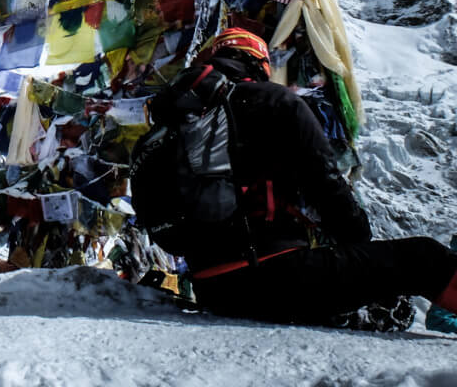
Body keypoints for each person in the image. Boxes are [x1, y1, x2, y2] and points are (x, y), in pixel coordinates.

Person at [144, 28, 457, 331]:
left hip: (212, 288)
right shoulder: (274, 101)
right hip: (277, 276)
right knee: (426, 258)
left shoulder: (170, 126)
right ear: (260, 64)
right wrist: (358, 247)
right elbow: (327, 182)